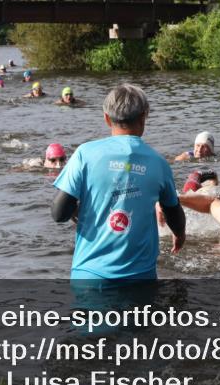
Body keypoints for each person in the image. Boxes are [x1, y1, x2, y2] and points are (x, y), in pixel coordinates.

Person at [51, 83, 186, 280]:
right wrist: (180, 234)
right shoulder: (159, 163)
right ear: (144, 116)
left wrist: (76, 211)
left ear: (107, 118)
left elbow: (58, 213)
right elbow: (173, 210)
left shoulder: (85, 154)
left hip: (89, 275)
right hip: (140, 277)